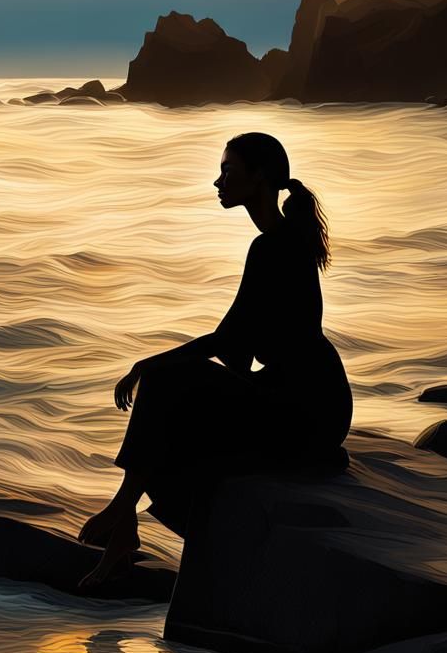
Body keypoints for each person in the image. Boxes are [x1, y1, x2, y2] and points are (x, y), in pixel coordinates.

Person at [76, 131, 353, 589]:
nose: (217, 181)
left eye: (228, 170)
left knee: (167, 383)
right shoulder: (281, 240)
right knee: (176, 393)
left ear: (258, 176)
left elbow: (228, 341)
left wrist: (147, 366)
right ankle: (122, 524)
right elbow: (239, 352)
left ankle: (122, 516)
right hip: (309, 401)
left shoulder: (273, 247)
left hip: (307, 409)